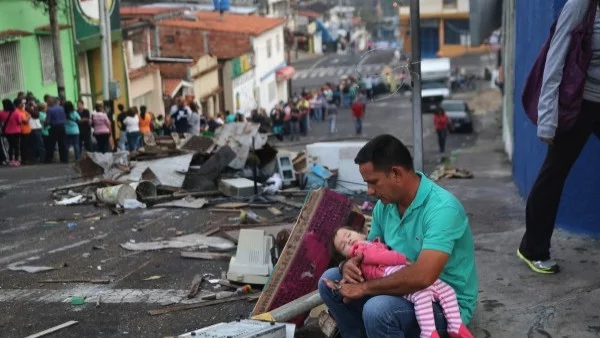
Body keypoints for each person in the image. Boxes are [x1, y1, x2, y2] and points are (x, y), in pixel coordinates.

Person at [318, 134, 477, 338]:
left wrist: (363, 288)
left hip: (442, 303)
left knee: (378, 309)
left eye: (373, 182)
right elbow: (368, 253)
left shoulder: (442, 209)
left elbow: (423, 277)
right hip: (402, 289)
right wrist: (348, 266)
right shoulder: (384, 207)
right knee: (329, 281)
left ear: (396, 174)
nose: (370, 191)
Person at [518, 0, 600, 275]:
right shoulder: (581, 5)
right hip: (580, 104)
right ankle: (533, 247)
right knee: (554, 173)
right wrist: (547, 120)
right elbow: (556, 57)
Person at [326, 227, 474, 338]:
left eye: (348, 235)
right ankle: (429, 331)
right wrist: (344, 265)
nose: (349, 241)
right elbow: (382, 257)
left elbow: (422, 277)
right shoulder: (363, 248)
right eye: (344, 246)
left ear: (362, 232)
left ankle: (454, 324)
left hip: (412, 280)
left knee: (441, 290)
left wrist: (361, 285)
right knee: (419, 294)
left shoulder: (440, 209)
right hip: (393, 273)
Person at [44, 97, 68, 163]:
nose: (47, 103)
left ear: (51, 102)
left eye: (48, 102)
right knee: (62, 143)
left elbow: (48, 121)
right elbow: (65, 117)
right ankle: (64, 159)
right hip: (62, 127)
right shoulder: (62, 108)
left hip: (54, 127)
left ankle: (49, 159)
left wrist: (44, 125)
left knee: (51, 144)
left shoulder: (50, 110)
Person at [0, 99, 22, 166]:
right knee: (16, 146)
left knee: (10, 146)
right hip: (16, 131)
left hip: (7, 132)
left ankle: (10, 160)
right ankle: (16, 160)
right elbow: (19, 122)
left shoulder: (1, 113)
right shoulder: (16, 112)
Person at [16, 99, 31, 164]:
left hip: (27, 130)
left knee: (27, 146)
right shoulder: (17, 111)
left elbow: (29, 114)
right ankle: (24, 160)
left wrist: (28, 117)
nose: (22, 104)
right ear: (17, 104)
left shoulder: (23, 110)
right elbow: (25, 121)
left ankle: (27, 159)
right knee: (24, 146)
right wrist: (28, 117)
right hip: (23, 131)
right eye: (21, 103)